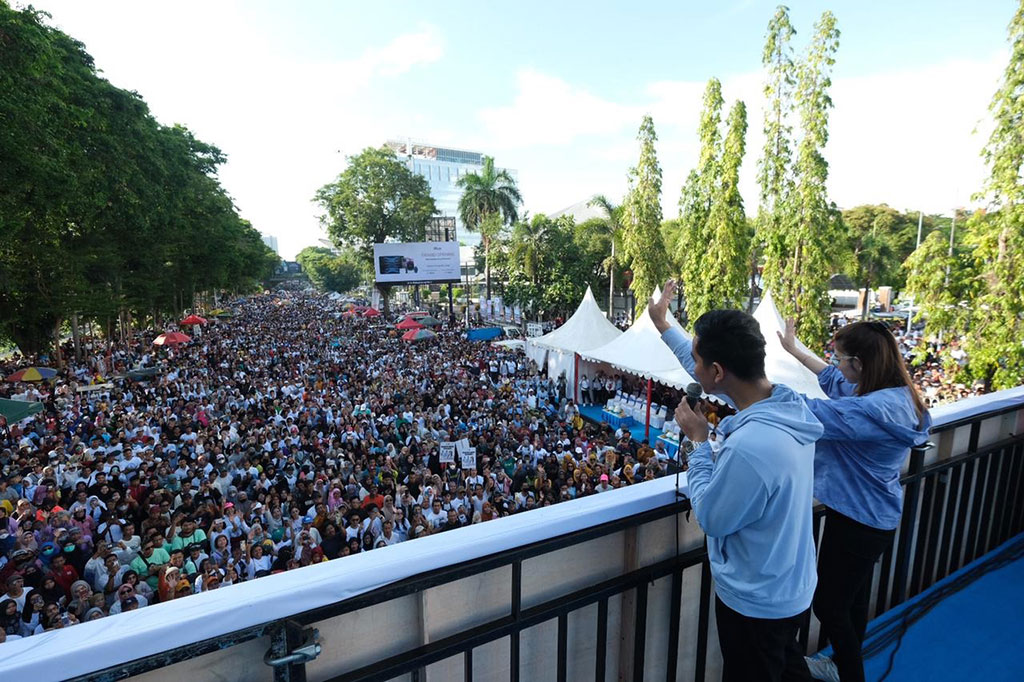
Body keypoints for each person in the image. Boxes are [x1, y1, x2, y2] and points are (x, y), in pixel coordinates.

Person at [651, 281, 823, 682]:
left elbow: (711, 515)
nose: (692, 370)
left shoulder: (751, 446)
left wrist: (698, 442)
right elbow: (706, 367)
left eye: (698, 363)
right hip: (789, 584)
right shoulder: (784, 406)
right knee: (787, 667)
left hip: (757, 603)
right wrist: (663, 325)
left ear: (716, 372)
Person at [779, 318, 931, 682]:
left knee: (828, 606)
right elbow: (836, 384)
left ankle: (850, 674)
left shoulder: (869, 410)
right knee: (853, 601)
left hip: (858, 522)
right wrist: (793, 349)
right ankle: (842, 666)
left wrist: (746, 382)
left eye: (841, 359)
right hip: (872, 518)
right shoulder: (894, 395)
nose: (837, 365)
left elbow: (811, 411)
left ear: (859, 364)